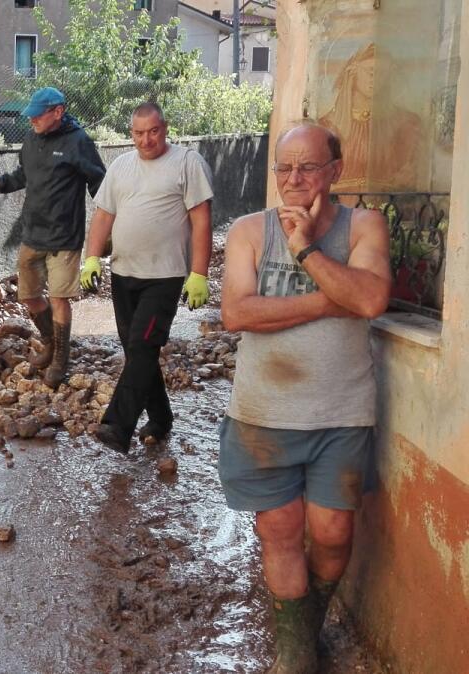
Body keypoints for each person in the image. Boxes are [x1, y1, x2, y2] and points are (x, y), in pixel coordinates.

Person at [219, 121, 390, 673]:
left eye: (307, 167)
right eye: (284, 167)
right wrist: (326, 300)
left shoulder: (365, 225)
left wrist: (306, 248)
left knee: (334, 533)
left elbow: (368, 299)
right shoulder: (248, 230)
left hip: (341, 413)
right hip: (262, 415)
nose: (293, 179)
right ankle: (296, 656)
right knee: (280, 531)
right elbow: (237, 314)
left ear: (335, 172)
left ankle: (307, 624)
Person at [80, 101, 215, 453]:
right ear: (131, 134)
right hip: (123, 273)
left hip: (165, 276)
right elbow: (103, 216)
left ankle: (117, 425)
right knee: (138, 351)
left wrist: (200, 273)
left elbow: (201, 219)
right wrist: (91, 258)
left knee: (142, 346)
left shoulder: (186, 162)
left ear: (165, 128)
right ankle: (161, 418)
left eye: (153, 131)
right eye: (139, 133)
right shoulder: (122, 165)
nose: (146, 140)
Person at [0, 86, 106, 386]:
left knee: (59, 298)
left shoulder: (79, 143)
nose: (31, 120)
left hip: (64, 238)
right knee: (31, 297)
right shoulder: (31, 140)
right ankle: (50, 342)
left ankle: (60, 358)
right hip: (33, 233)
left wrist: (107, 224)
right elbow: (23, 175)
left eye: (37, 115)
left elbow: (100, 183)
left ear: (57, 112)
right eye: (30, 115)